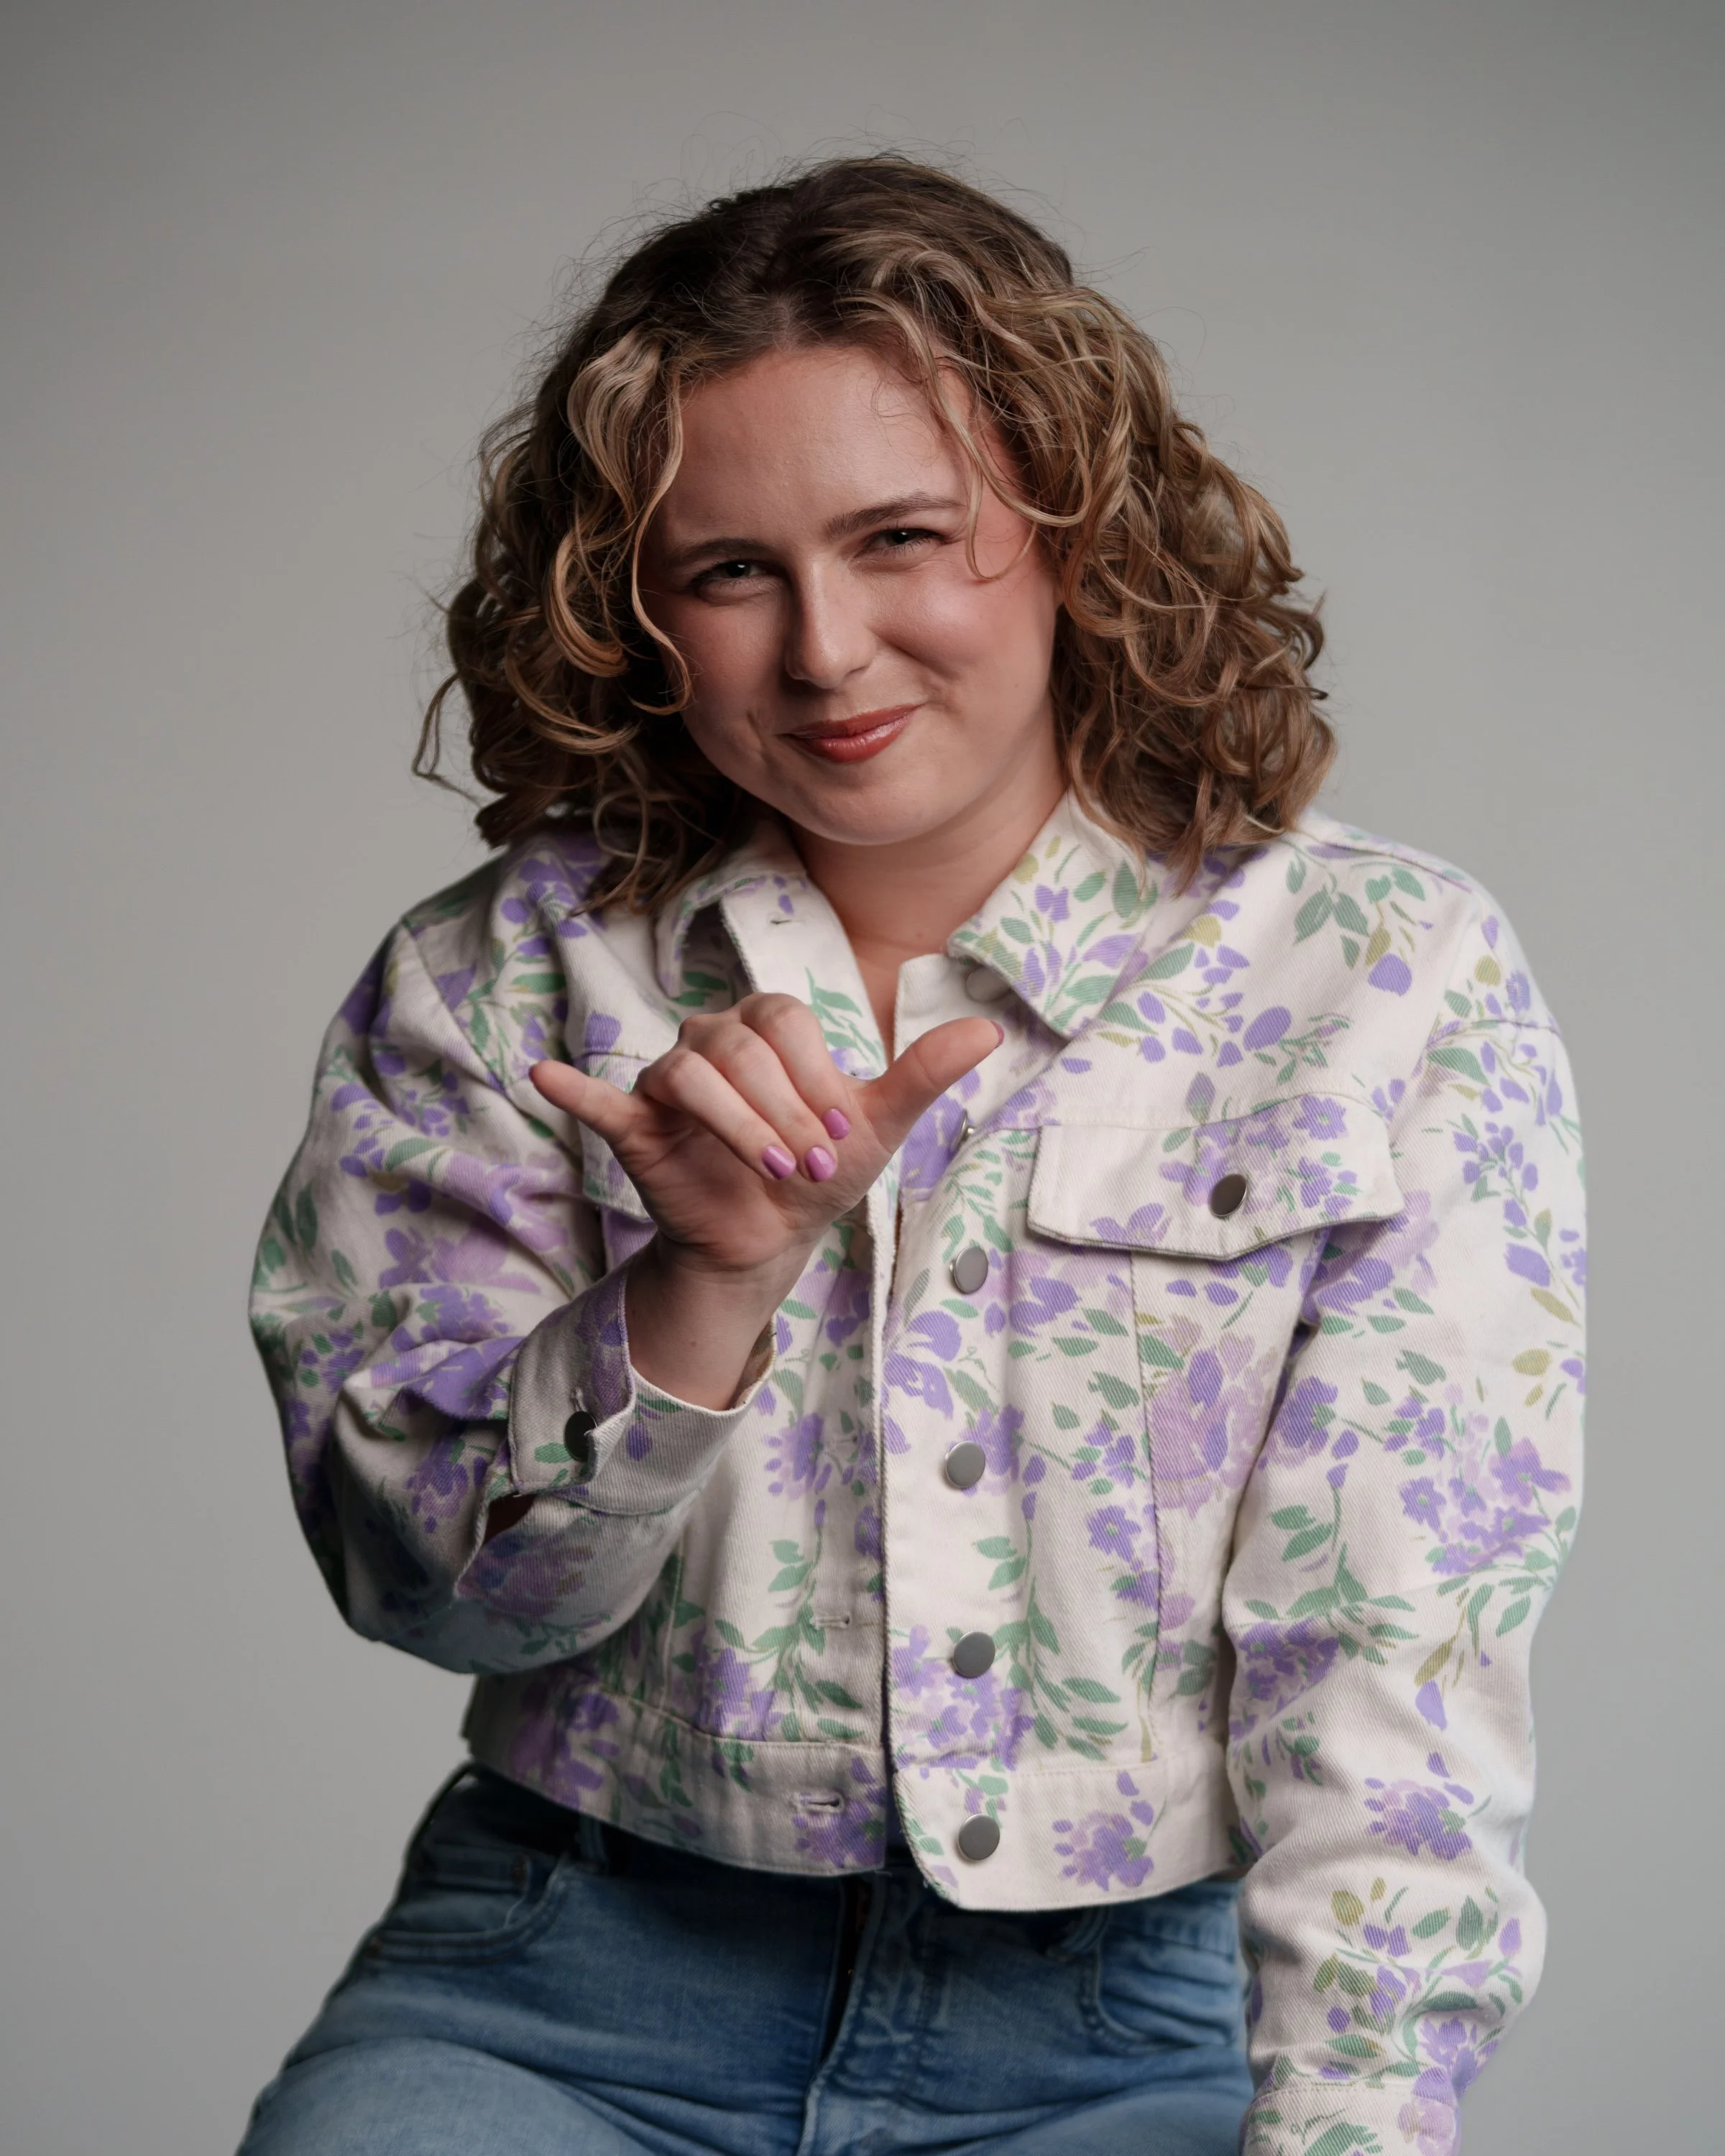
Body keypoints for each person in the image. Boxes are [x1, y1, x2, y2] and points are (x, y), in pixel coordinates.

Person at [242, 157, 1584, 2156]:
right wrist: (698, 1289)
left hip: (1132, 2033)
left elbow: (1399, 1647)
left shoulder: (1380, 974)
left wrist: (1353, 2118)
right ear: (635, 610)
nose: (828, 650)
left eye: (902, 539)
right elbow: (433, 1594)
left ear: (1074, 527)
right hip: (562, 1986)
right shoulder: (499, 978)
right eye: (729, 571)